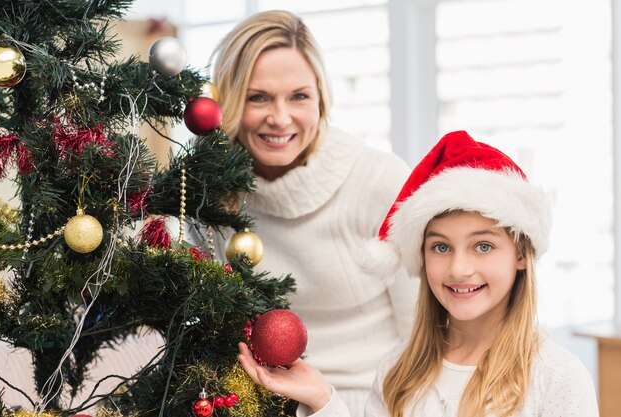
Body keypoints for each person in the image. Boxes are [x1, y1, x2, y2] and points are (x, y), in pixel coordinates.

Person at [237, 130, 600, 417]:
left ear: (521, 253)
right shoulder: (399, 370)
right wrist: (322, 399)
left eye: (483, 246)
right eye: (441, 247)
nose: (459, 269)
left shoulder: (558, 377)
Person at [201, 10, 418, 414]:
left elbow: (425, 334)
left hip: (374, 402)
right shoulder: (209, 195)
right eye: (257, 97)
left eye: (298, 96)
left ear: (321, 98)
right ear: (228, 101)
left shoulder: (377, 180)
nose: (280, 118)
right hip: (254, 401)